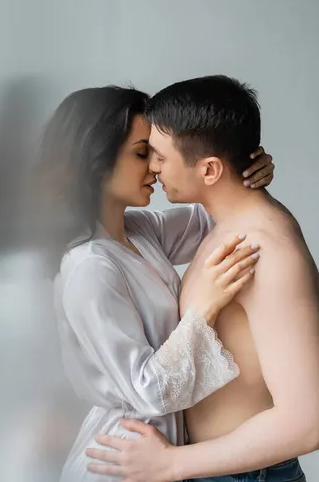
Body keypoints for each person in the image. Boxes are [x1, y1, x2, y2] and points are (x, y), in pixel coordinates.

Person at [86, 76, 319, 482]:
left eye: (161, 157)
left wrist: (171, 464)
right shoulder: (221, 225)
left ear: (209, 169)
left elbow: (309, 424)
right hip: (217, 470)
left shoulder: (266, 252)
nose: (152, 167)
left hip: (246, 476)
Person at [36, 85, 274, 482]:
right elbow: (148, 392)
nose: (157, 167)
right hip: (122, 463)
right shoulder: (89, 267)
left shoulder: (138, 232)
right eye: (142, 153)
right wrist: (204, 306)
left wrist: (245, 171)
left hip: (157, 457)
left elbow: (211, 215)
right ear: (96, 161)